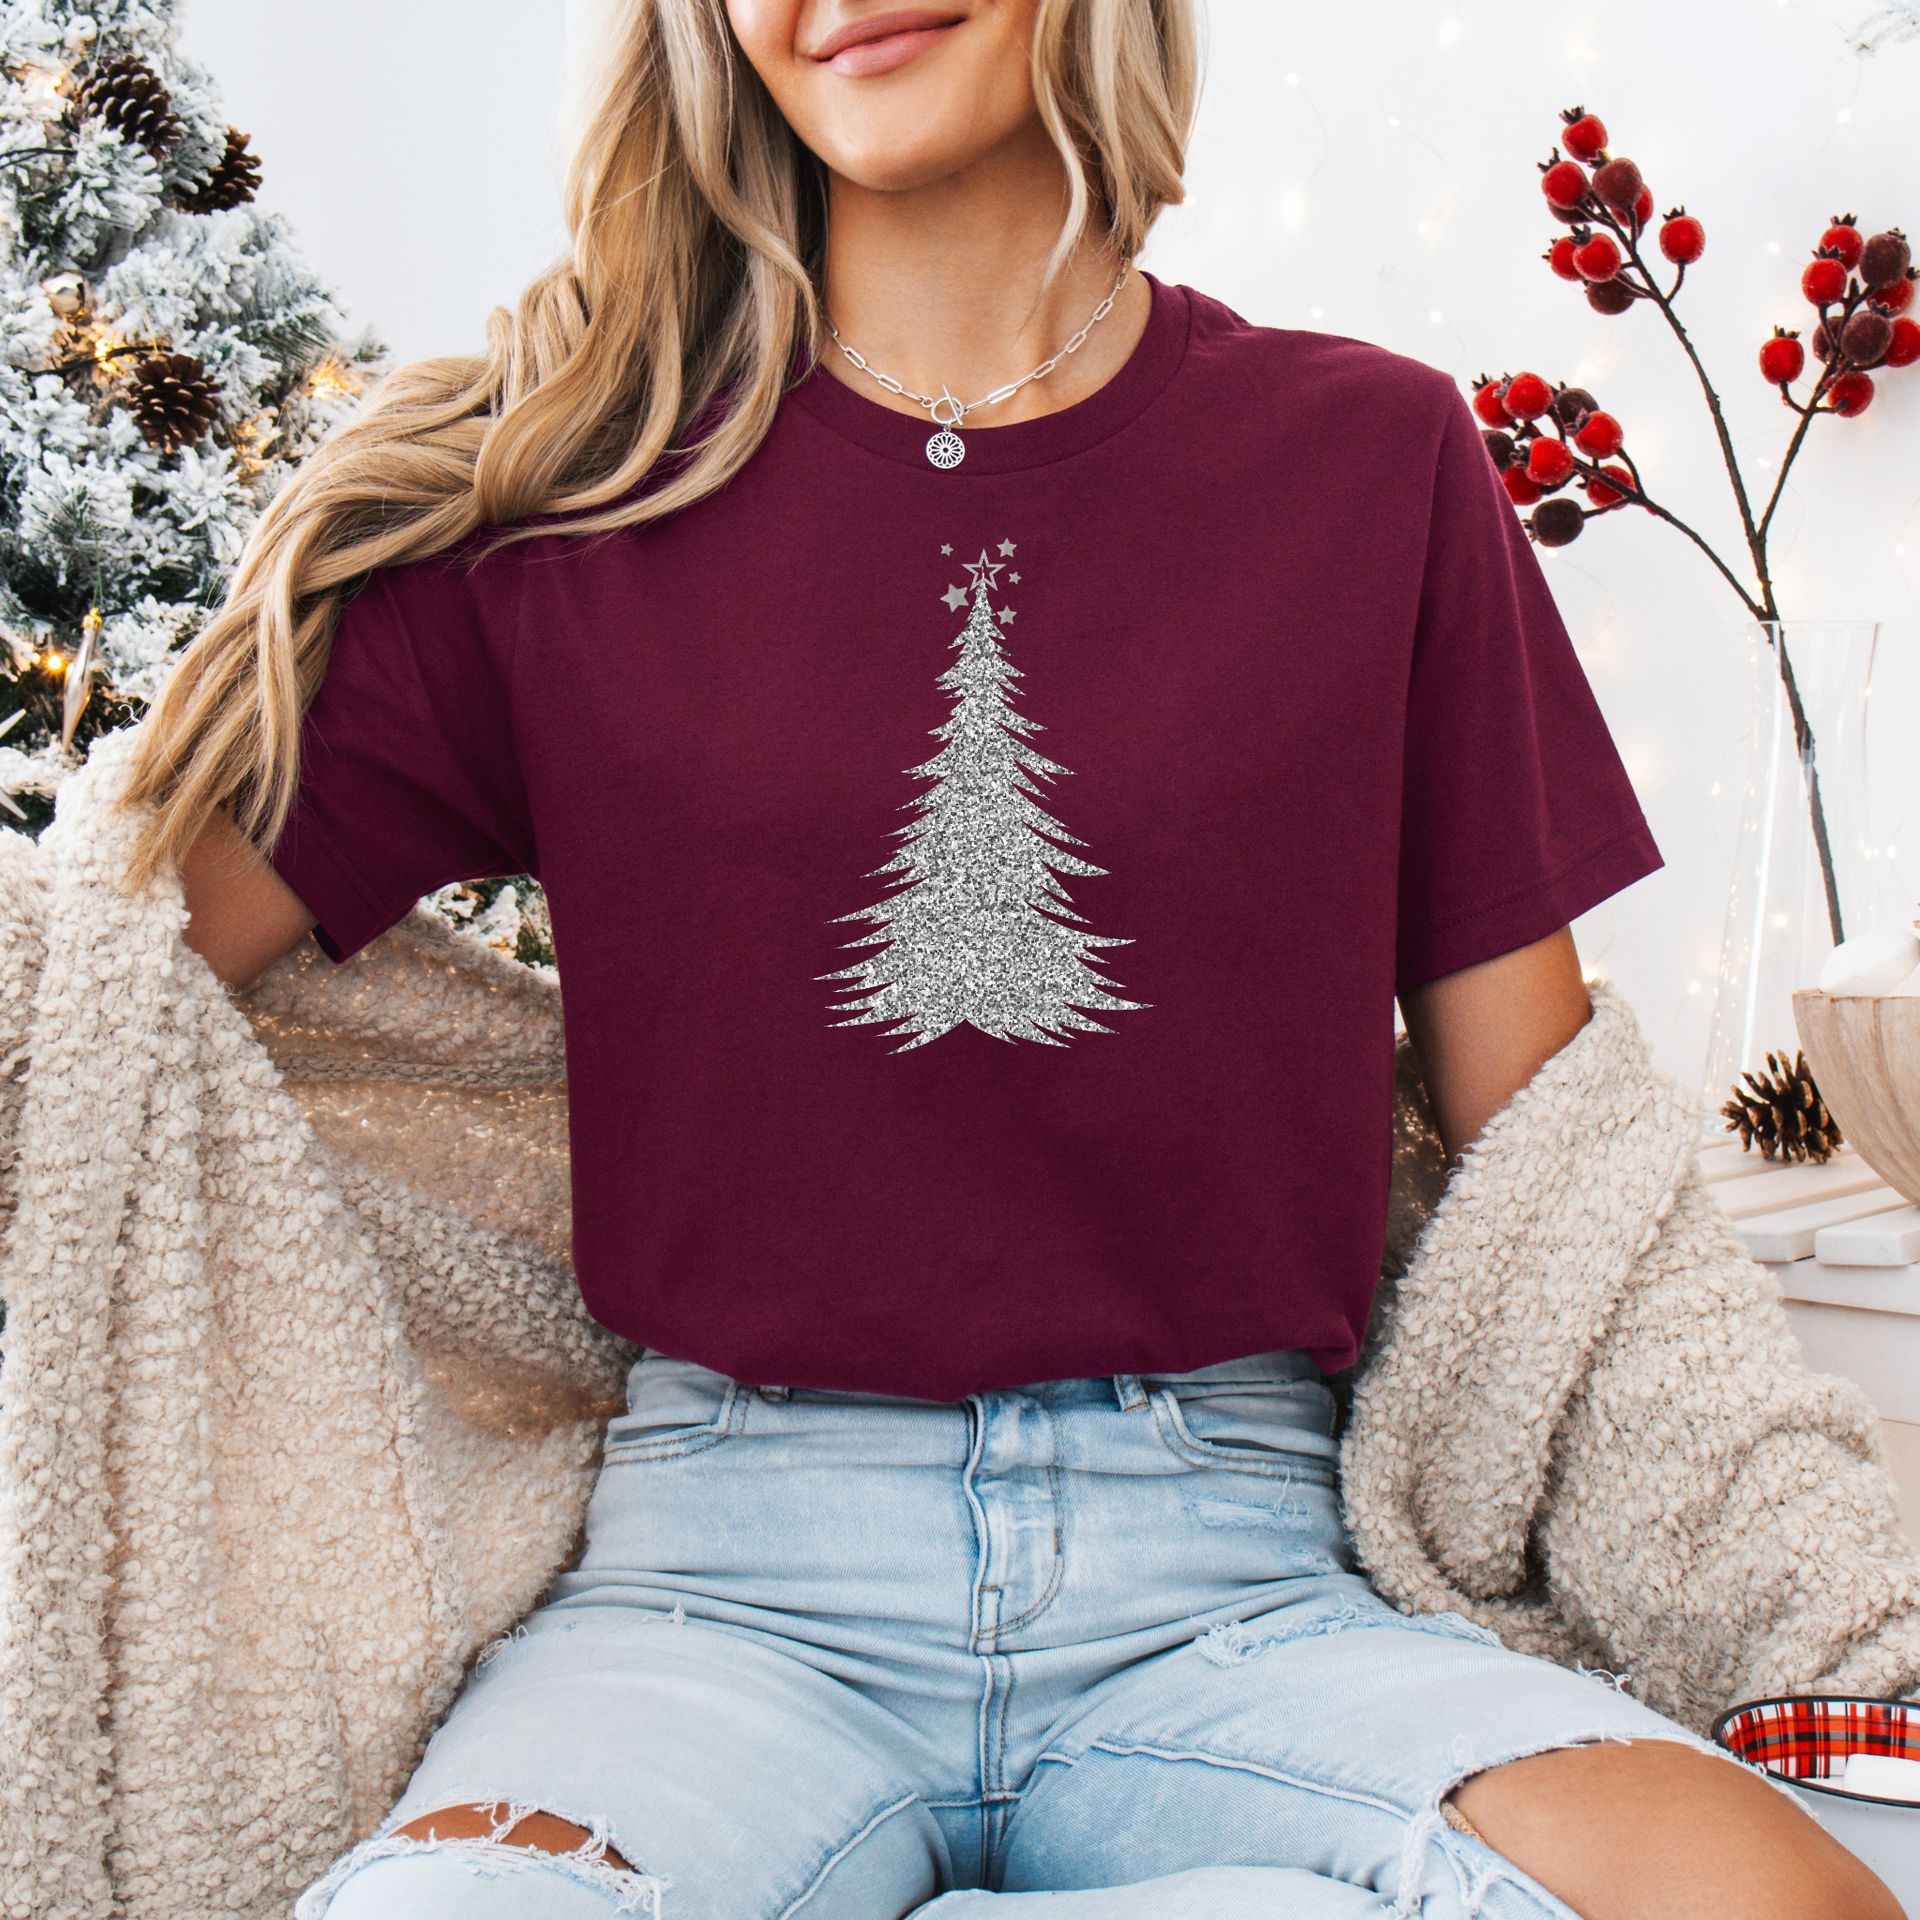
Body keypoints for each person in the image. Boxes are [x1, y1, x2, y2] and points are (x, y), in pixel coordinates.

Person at [121, 2, 1896, 1915]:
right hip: (710, 1600)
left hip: (1241, 1585)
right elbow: (103, 987)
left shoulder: (1374, 465)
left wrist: (1822, 1615)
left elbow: (1573, 1206)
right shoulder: (566, 489)